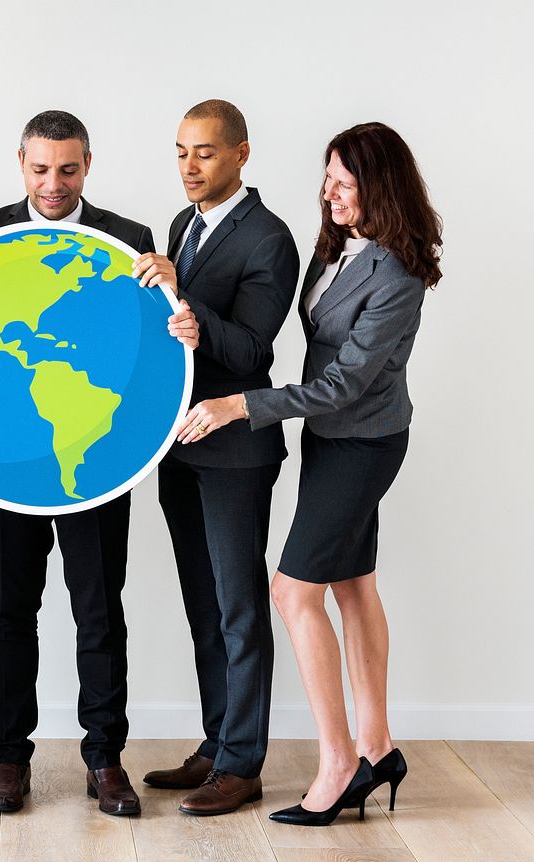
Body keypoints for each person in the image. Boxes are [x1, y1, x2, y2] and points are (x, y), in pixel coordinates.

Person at [0, 109, 199, 817]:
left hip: (94, 453)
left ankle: (106, 760)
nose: (53, 183)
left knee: (99, 610)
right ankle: (9, 761)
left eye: (67, 169)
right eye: (40, 169)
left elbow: (148, 351)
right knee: (11, 609)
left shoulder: (130, 242)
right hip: (9, 455)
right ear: (21, 164)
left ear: (88, 163)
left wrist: (181, 317)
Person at [180, 122, 442, 826]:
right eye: (327, 177)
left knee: (293, 595)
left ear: (379, 188)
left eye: (345, 183)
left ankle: (337, 765)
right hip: (332, 441)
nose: (329, 192)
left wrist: (242, 405)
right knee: (354, 589)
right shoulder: (338, 245)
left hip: (362, 443)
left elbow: (344, 386)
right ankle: (378, 747)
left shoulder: (398, 275)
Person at [131, 99, 299, 816]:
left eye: (203, 152)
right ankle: (217, 739)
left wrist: (194, 317)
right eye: (179, 152)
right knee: (203, 603)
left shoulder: (271, 240)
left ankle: (243, 764)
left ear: (241, 154)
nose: (188, 167)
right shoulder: (183, 227)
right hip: (181, 447)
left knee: (237, 605)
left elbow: (253, 352)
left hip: (236, 450)